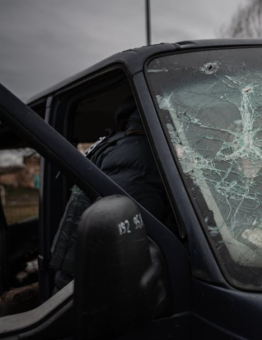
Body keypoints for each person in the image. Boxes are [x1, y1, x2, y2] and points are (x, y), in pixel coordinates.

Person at [50, 96, 173, 291]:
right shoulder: (141, 154)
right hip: (90, 290)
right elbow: (136, 238)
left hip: (82, 278)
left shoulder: (124, 145)